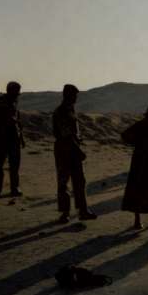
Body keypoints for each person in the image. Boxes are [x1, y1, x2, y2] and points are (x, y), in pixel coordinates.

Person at [52, 84, 97, 223]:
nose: (76, 98)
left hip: (72, 148)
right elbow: (66, 135)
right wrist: (79, 151)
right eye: (74, 95)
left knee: (79, 181)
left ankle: (82, 210)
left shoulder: (70, 110)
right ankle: (65, 213)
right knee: (64, 181)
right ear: (68, 95)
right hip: (65, 149)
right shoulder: (61, 112)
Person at [121, 103, 148, 229]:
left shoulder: (145, 125)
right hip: (146, 162)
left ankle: (139, 220)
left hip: (141, 161)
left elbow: (125, 136)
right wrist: (138, 144)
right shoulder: (145, 125)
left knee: (139, 188)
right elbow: (125, 135)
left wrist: (136, 144)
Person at [0, 81, 24, 197]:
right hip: (1, 137)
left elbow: (17, 120)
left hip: (14, 137)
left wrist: (21, 137)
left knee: (15, 164)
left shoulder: (14, 101)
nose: (17, 94)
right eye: (16, 91)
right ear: (10, 90)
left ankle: (14, 188)